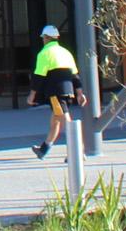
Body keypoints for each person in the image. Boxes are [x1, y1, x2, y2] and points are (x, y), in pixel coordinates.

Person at [26, 23, 84, 158]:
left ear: (46, 38)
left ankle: (78, 152)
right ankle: (43, 149)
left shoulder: (45, 53)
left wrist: (32, 95)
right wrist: (80, 93)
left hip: (55, 93)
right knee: (55, 121)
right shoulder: (66, 52)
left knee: (66, 121)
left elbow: (39, 77)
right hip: (68, 91)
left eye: (43, 38)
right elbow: (75, 75)